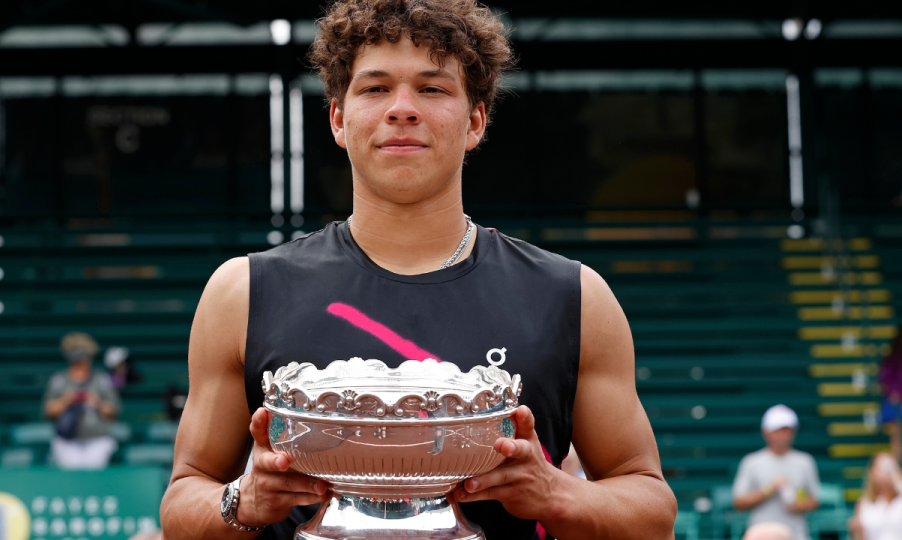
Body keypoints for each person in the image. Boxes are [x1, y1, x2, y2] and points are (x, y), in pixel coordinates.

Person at [159, 0, 677, 538]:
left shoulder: (571, 295)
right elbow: (181, 502)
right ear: (338, 118)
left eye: (432, 89)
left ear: (476, 120)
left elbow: (651, 507)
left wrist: (555, 492)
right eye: (375, 88)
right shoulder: (243, 292)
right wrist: (241, 499)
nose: (402, 109)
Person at [733, 405, 820, 540]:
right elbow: (739, 502)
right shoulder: (751, 462)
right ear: (765, 432)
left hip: (797, 534)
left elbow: (814, 500)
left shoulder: (805, 461)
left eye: (786, 430)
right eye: (777, 430)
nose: (782, 435)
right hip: (761, 534)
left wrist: (799, 505)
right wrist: (770, 489)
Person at [43, 332, 122, 469]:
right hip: (66, 441)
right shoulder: (59, 380)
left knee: (93, 475)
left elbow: (113, 411)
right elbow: (48, 410)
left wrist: (96, 402)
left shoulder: (101, 379)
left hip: (98, 439)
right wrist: (67, 400)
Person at [848, 452, 902, 540]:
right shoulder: (864, 504)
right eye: (882, 466)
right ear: (872, 471)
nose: (886, 471)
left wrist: (898, 480)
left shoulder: (900, 500)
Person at [879, 329, 902, 462]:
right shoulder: (891, 358)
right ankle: (897, 463)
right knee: (895, 433)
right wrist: (896, 395)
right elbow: (885, 379)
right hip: (893, 401)